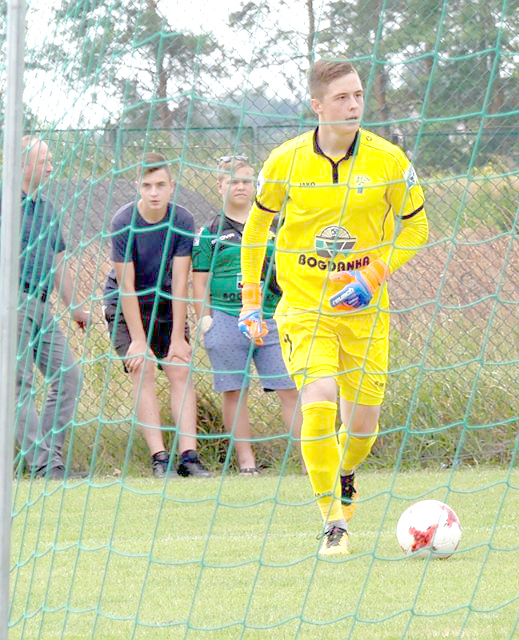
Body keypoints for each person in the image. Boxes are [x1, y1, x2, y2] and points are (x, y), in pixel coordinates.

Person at [239, 60, 428, 555]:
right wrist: (252, 300)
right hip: (304, 307)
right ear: (318, 106)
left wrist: (372, 275)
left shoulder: (388, 160)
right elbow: (256, 229)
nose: (353, 105)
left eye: (358, 96)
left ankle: (345, 472)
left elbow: (417, 228)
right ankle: (333, 523)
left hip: (365, 314)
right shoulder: (285, 161)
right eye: (342, 97)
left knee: (362, 426)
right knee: (318, 401)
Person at [102, 152, 212, 478]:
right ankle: (159, 459)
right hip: (126, 305)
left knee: (180, 367)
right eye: (147, 185)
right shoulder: (123, 222)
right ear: (138, 185)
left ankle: (189, 457)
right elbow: (126, 286)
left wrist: (179, 337)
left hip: (166, 303)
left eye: (160, 185)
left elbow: (180, 282)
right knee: (143, 368)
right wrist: (138, 340)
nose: (154, 192)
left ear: (171, 186)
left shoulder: (182, 220)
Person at [192, 155, 302, 474]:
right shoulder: (210, 232)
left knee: (289, 388)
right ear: (220, 185)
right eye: (233, 181)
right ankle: (246, 464)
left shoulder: (274, 227)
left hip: (272, 317)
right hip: (227, 316)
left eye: (246, 181)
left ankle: (309, 461)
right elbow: (199, 281)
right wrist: (205, 319)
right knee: (234, 391)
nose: (240, 186)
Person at [4, 136, 89, 479]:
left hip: (41, 305)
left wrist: (76, 308)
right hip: (11, 302)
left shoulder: (46, 209)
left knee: (69, 376)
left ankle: (49, 458)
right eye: (44, 162)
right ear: (22, 164)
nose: (52, 167)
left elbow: (57, 264)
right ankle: (43, 465)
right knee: (19, 385)